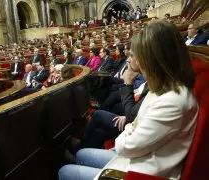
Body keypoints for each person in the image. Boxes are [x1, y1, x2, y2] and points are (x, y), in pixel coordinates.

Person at [58, 20, 198, 180]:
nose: (133, 61)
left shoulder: (172, 101)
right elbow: (134, 123)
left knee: (64, 171)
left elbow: (126, 146)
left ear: (156, 60)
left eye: (139, 56)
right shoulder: (162, 87)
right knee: (82, 154)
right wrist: (132, 128)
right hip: (138, 158)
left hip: (144, 172)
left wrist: (130, 130)